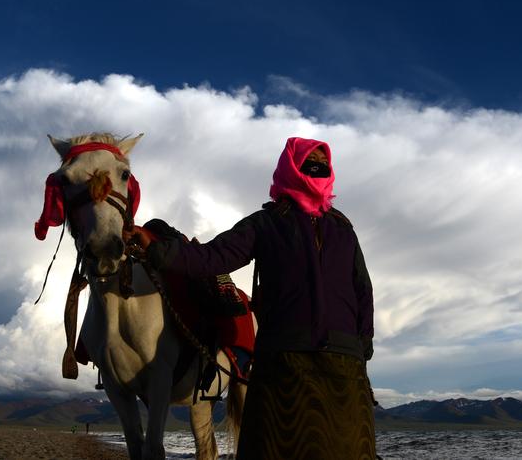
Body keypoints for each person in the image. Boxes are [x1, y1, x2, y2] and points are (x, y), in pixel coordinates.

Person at [129, 136, 376, 459]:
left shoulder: (311, 225)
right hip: (313, 363)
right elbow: (211, 258)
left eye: (321, 164)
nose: (318, 169)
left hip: (314, 364)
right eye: (312, 164)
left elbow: (362, 289)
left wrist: (361, 345)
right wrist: (157, 249)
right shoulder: (302, 225)